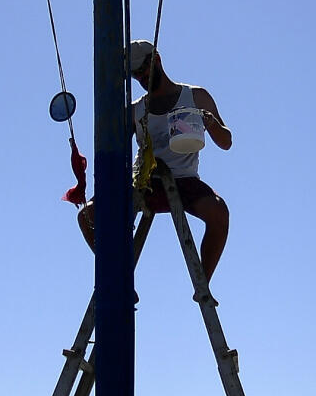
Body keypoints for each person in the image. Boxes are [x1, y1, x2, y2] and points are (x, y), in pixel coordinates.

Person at [77, 40, 234, 278]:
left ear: (157, 59)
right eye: (136, 75)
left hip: (183, 180)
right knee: (87, 216)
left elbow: (226, 142)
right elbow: (115, 149)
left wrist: (210, 124)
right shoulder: (136, 110)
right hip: (143, 182)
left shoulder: (195, 97)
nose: (142, 78)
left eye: (143, 70)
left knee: (219, 213)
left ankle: (203, 282)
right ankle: (118, 278)